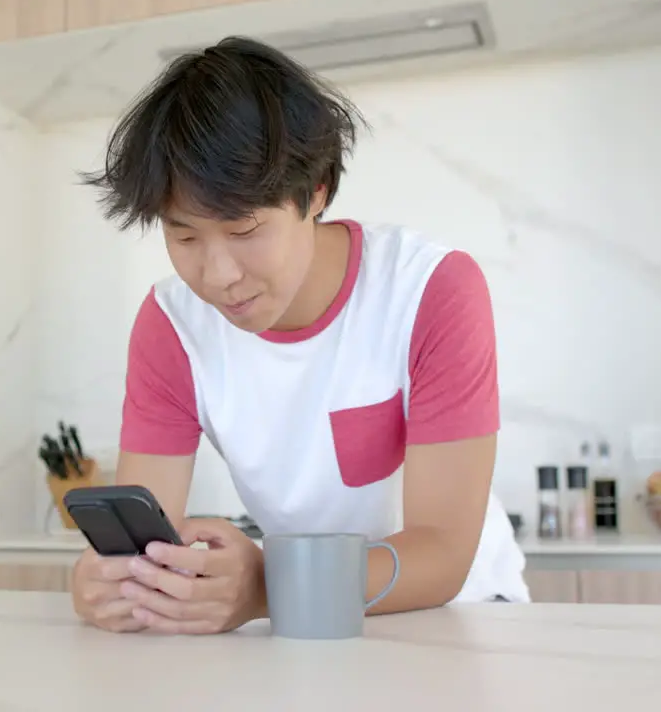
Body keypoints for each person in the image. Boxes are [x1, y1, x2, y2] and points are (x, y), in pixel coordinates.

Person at [70, 35, 529, 635]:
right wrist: (112, 583)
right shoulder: (172, 326)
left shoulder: (429, 290)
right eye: (184, 238)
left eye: (243, 230)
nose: (218, 275)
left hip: (459, 620)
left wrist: (267, 586)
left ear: (315, 194)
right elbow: (141, 535)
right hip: (299, 622)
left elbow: (441, 552)